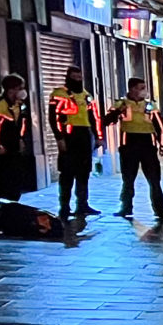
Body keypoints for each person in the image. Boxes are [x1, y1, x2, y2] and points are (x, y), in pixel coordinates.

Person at [104, 77, 163, 222]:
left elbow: (160, 126)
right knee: (128, 179)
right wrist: (117, 111)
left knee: (154, 179)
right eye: (141, 88)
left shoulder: (150, 105)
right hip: (129, 145)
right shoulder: (121, 104)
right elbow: (107, 121)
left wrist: (162, 145)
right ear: (132, 89)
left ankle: (159, 209)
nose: (144, 91)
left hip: (147, 145)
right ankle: (126, 207)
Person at [48, 66, 102, 224]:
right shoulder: (59, 94)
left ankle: (82, 205)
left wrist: (98, 136)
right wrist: (59, 138)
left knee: (84, 172)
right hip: (69, 136)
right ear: (68, 77)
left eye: (79, 76)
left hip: (84, 137)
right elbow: (54, 118)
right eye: (74, 76)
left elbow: (95, 118)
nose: (78, 79)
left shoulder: (86, 96)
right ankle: (64, 206)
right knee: (67, 173)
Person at [0, 73, 32, 201]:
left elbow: (23, 122)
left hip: (15, 145)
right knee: (6, 179)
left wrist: (21, 138)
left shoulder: (19, 104)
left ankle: (14, 202)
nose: (23, 91)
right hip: (2, 148)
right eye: (20, 88)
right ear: (11, 89)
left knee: (17, 177)